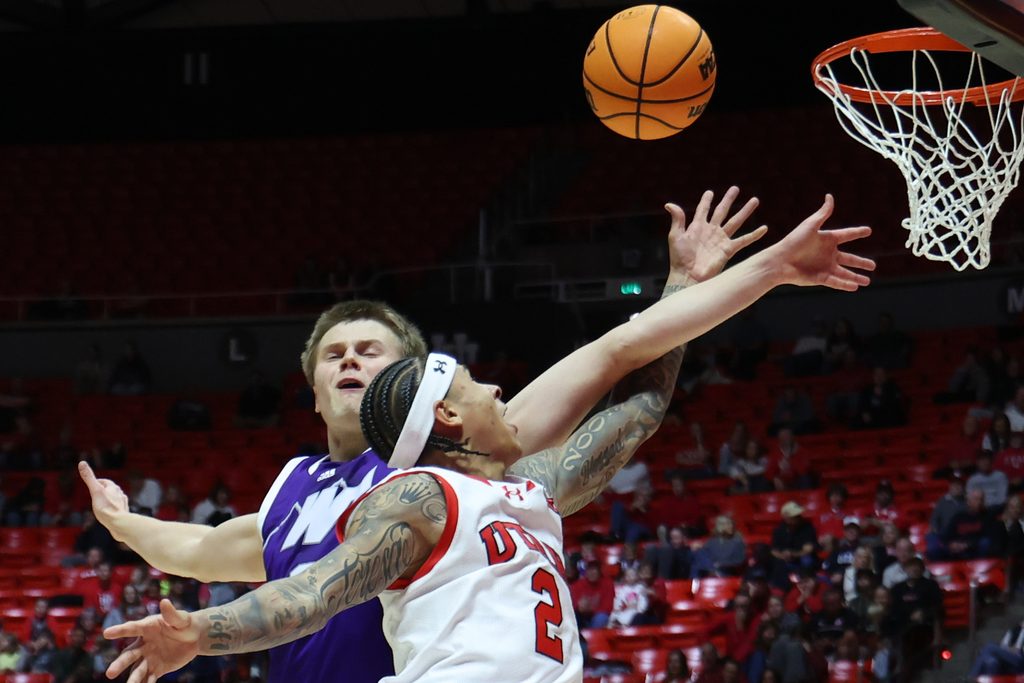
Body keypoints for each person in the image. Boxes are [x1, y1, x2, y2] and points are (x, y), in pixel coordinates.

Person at [101, 192, 874, 682]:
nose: (505, 390)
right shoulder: (413, 495)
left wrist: (690, 287)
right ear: (444, 413)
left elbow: (635, 402)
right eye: (481, 384)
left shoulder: (524, 485)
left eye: (366, 350)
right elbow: (306, 590)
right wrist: (193, 623)